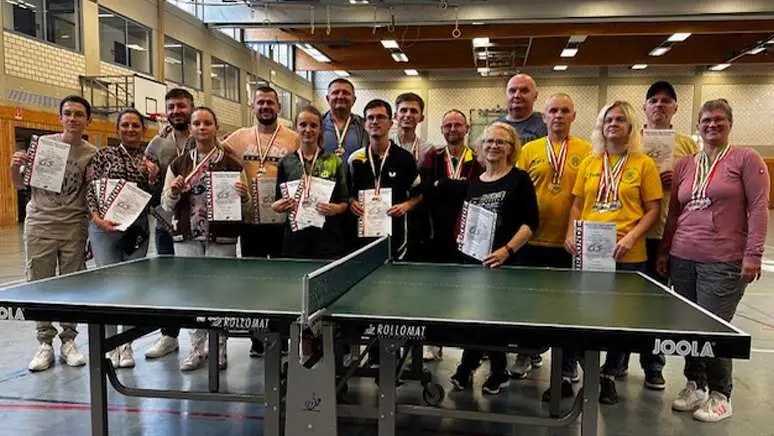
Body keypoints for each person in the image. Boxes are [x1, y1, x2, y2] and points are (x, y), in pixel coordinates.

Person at [656, 99, 769, 423]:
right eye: (706, 120)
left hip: (723, 260)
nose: (712, 124)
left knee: (713, 328)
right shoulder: (686, 164)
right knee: (688, 326)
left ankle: (721, 394)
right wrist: (664, 250)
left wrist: (753, 254)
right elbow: (674, 213)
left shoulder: (746, 159)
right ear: (698, 126)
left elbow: (759, 208)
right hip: (683, 257)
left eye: (719, 119)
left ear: (730, 124)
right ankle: (696, 384)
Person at [564, 101, 663, 405]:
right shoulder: (590, 162)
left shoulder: (643, 164)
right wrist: (570, 233)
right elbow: (578, 204)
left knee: (622, 319)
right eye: (608, 119)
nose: (613, 124)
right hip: (590, 252)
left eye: (620, 119)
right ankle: (579, 371)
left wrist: (632, 237)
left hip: (627, 254)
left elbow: (653, 209)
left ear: (630, 126)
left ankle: (609, 375)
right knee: (584, 315)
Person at [449, 122, 539, 396]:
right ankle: (479, 367)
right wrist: (464, 239)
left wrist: (506, 251)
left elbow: (531, 223)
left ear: (511, 148)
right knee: (475, 318)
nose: (493, 146)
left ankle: (485, 369)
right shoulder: (475, 183)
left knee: (494, 321)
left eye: (501, 142)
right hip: (474, 263)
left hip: (505, 263)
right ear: (480, 146)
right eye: (488, 141)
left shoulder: (519, 179)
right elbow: (469, 220)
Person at [10, 95, 97, 372]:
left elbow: (92, 194)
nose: (72, 118)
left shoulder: (91, 153)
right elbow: (19, 185)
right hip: (40, 224)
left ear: (87, 120)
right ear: (60, 118)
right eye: (68, 113)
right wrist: (14, 166)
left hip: (73, 226)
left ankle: (69, 340)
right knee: (40, 283)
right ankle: (44, 343)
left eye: (79, 114)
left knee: (72, 285)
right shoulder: (43, 146)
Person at [161, 107, 250, 372]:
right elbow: (166, 204)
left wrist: (244, 196)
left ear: (216, 128)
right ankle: (196, 348)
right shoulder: (178, 164)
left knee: (221, 295)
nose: (202, 127)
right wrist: (173, 192)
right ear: (190, 128)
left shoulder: (232, 165)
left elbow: (246, 209)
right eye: (197, 123)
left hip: (221, 238)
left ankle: (219, 347)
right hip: (187, 237)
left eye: (207, 123)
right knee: (192, 295)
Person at [515, 94, 591, 390]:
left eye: (564, 111)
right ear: (543, 117)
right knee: (527, 306)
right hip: (531, 240)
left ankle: (568, 365)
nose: (558, 115)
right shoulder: (529, 149)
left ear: (574, 116)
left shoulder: (587, 150)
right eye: (553, 111)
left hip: (569, 244)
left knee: (568, 311)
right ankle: (526, 354)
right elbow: (519, 190)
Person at [636, 81, 700, 390]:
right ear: (644, 107)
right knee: (630, 304)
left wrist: (680, 181)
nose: (659, 105)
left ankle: (653, 364)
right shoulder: (631, 140)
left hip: (670, 235)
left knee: (660, 305)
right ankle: (616, 363)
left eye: (666, 101)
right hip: (635, 234)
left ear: (675, 107)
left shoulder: (687, 145)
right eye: (654, 100)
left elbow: (701, 186)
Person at [86, 108, 160, 369]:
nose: (130, 129)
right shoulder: (103, 155)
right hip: (104, 227)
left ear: (143, 130)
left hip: (136, 229)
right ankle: (110, 344)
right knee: (109, 287)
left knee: (132, 287)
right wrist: (97, 220)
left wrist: (153, 177)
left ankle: (126, 344)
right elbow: (91, 190)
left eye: (135, 125)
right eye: (125, 125)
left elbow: (154, 198)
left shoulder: (150, 159)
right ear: (117, 129)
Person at [419, 109, 483, 361]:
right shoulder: (432, 157)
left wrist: (443, 185)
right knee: (435, 292)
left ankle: (470, 349)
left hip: (469, 235)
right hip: (437, 235)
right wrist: (456, 187)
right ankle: (433, 342)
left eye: (458, 125)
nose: (453, 129)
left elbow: (478, 190)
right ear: (442, 129)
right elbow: (426, 189)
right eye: (448, 125)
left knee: (468, 294)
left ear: (466, 128)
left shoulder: (477, 158)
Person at [143, 88, 195, 360]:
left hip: (196, 225)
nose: (176, 111)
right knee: (168, 281)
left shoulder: (204, 137)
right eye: (171, 107)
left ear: (192, 108)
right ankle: (169, 336)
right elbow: (147, 186)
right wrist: (151, 179)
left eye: (181, 106)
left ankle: (202, 340)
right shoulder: (156, 144)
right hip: (165, 223)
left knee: (198, 281)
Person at [222, 86, 299, 259]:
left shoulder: (294, 139)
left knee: (283, 268)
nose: (265, 106)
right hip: (251, 219)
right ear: (253, 107)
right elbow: (212, 150)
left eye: (270, 102)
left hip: (282, 218)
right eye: (260, 102)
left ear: (279, 107)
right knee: (253, 269)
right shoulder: (239, 136)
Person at [272, 105, 349, 259]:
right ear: (296, 128)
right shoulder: (286, 162)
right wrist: (277, 206)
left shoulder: (334, 161)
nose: (308, 130)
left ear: (320, 129)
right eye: (303, 125)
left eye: (313, 125)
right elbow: (278, 200)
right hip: (295, 240)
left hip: (328, 239)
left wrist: (336, 209)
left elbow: (345, 202)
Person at [349, 99, 422, 260]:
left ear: (390, 123)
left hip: (396, 236)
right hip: (363, 236)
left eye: (381, 117)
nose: (375, 121)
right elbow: (347, 193)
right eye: (370, 117)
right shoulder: (354, 159)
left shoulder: (405, 158)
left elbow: (418, 195)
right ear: (365, 124)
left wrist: (406, 205)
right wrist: (351, 201)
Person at [392, 92, 436, 262]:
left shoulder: (429, 149)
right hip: (392, 210)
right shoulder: (386, 144)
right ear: (395, 116)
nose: (408, 115)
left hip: (417, 213)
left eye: (413, 111)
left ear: (421, 117)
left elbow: (427, 184)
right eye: (403, 110)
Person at [322, 78, 368, 161]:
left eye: (346, 93)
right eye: (335, 92)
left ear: (354, 100)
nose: (340, 96)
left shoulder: (365, 125)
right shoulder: (317, 124)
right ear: (328, 98)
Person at [497, 73, 548, 145]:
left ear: (535, 96)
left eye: (524, 91)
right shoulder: (495, 127)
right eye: (512, 91)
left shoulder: (546, 125)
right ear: (506, 95)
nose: (517, 95)